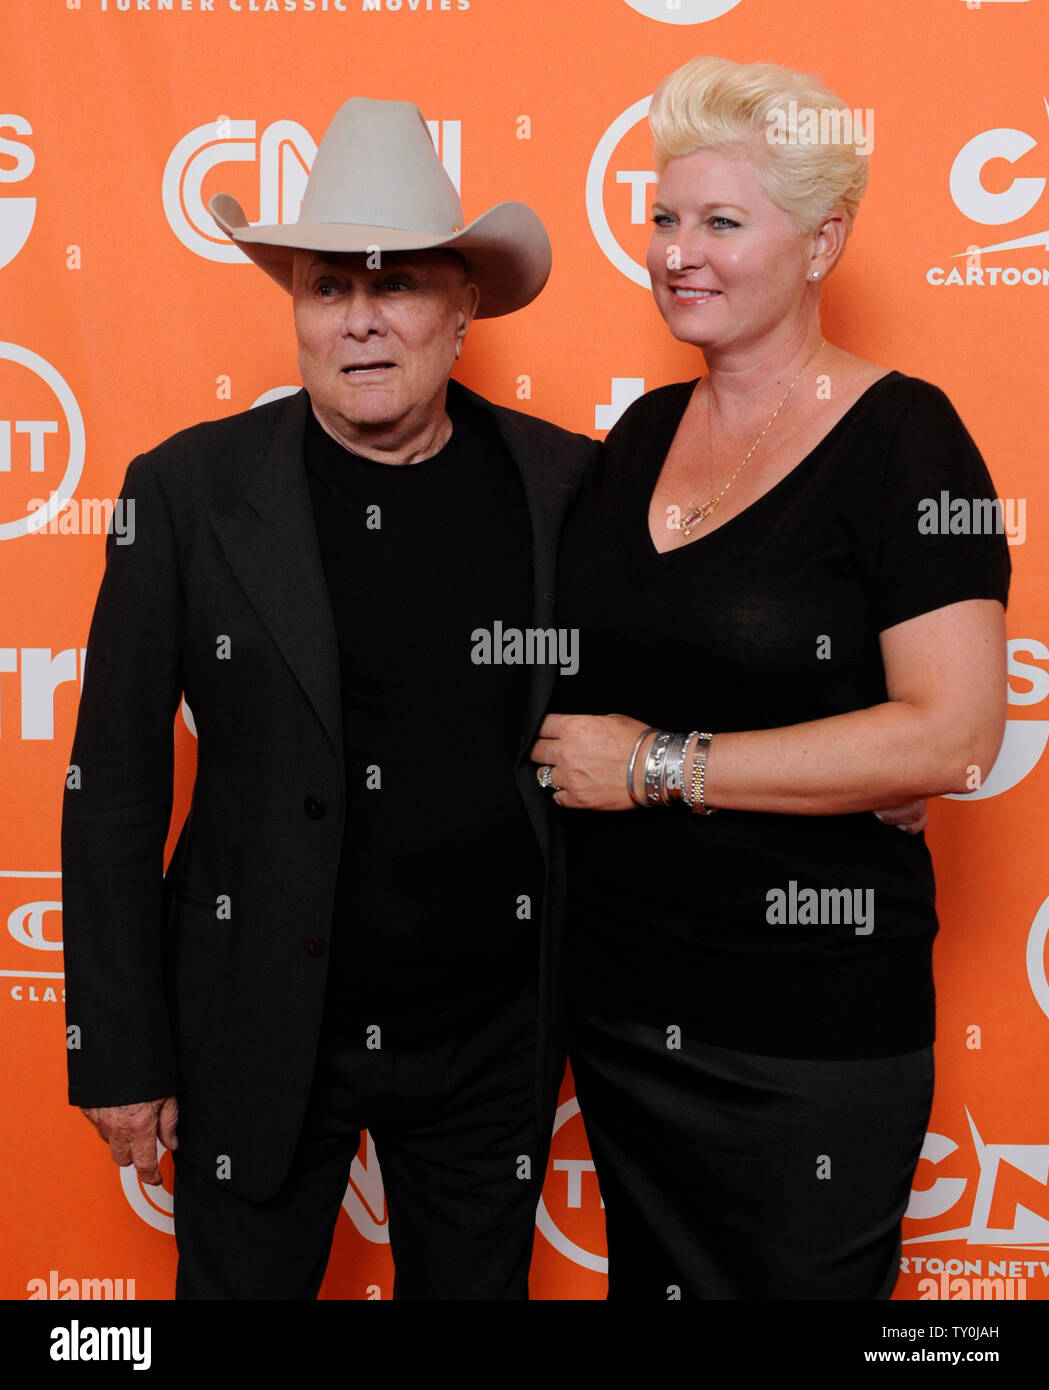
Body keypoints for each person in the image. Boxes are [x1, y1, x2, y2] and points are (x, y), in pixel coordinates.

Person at [62, 96, 596, 1300]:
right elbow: (113, 782)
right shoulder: (187, 493)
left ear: (463, 308)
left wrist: (852, 770)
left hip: (490, 1037)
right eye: (324, 289)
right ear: (292, 310)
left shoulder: (564, 484)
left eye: (396, 285)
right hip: (256, 1026)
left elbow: (676, 662)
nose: (360, 323)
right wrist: (116, 1043)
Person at [531, 56, 1010, 1299]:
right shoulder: (635, 438)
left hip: (804, 1039)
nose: (676, 252)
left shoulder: (908, 439)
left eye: (721, 221)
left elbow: (953, 738)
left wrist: (656, 767)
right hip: (625, 1016)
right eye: (663, 217)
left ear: (820, 241)